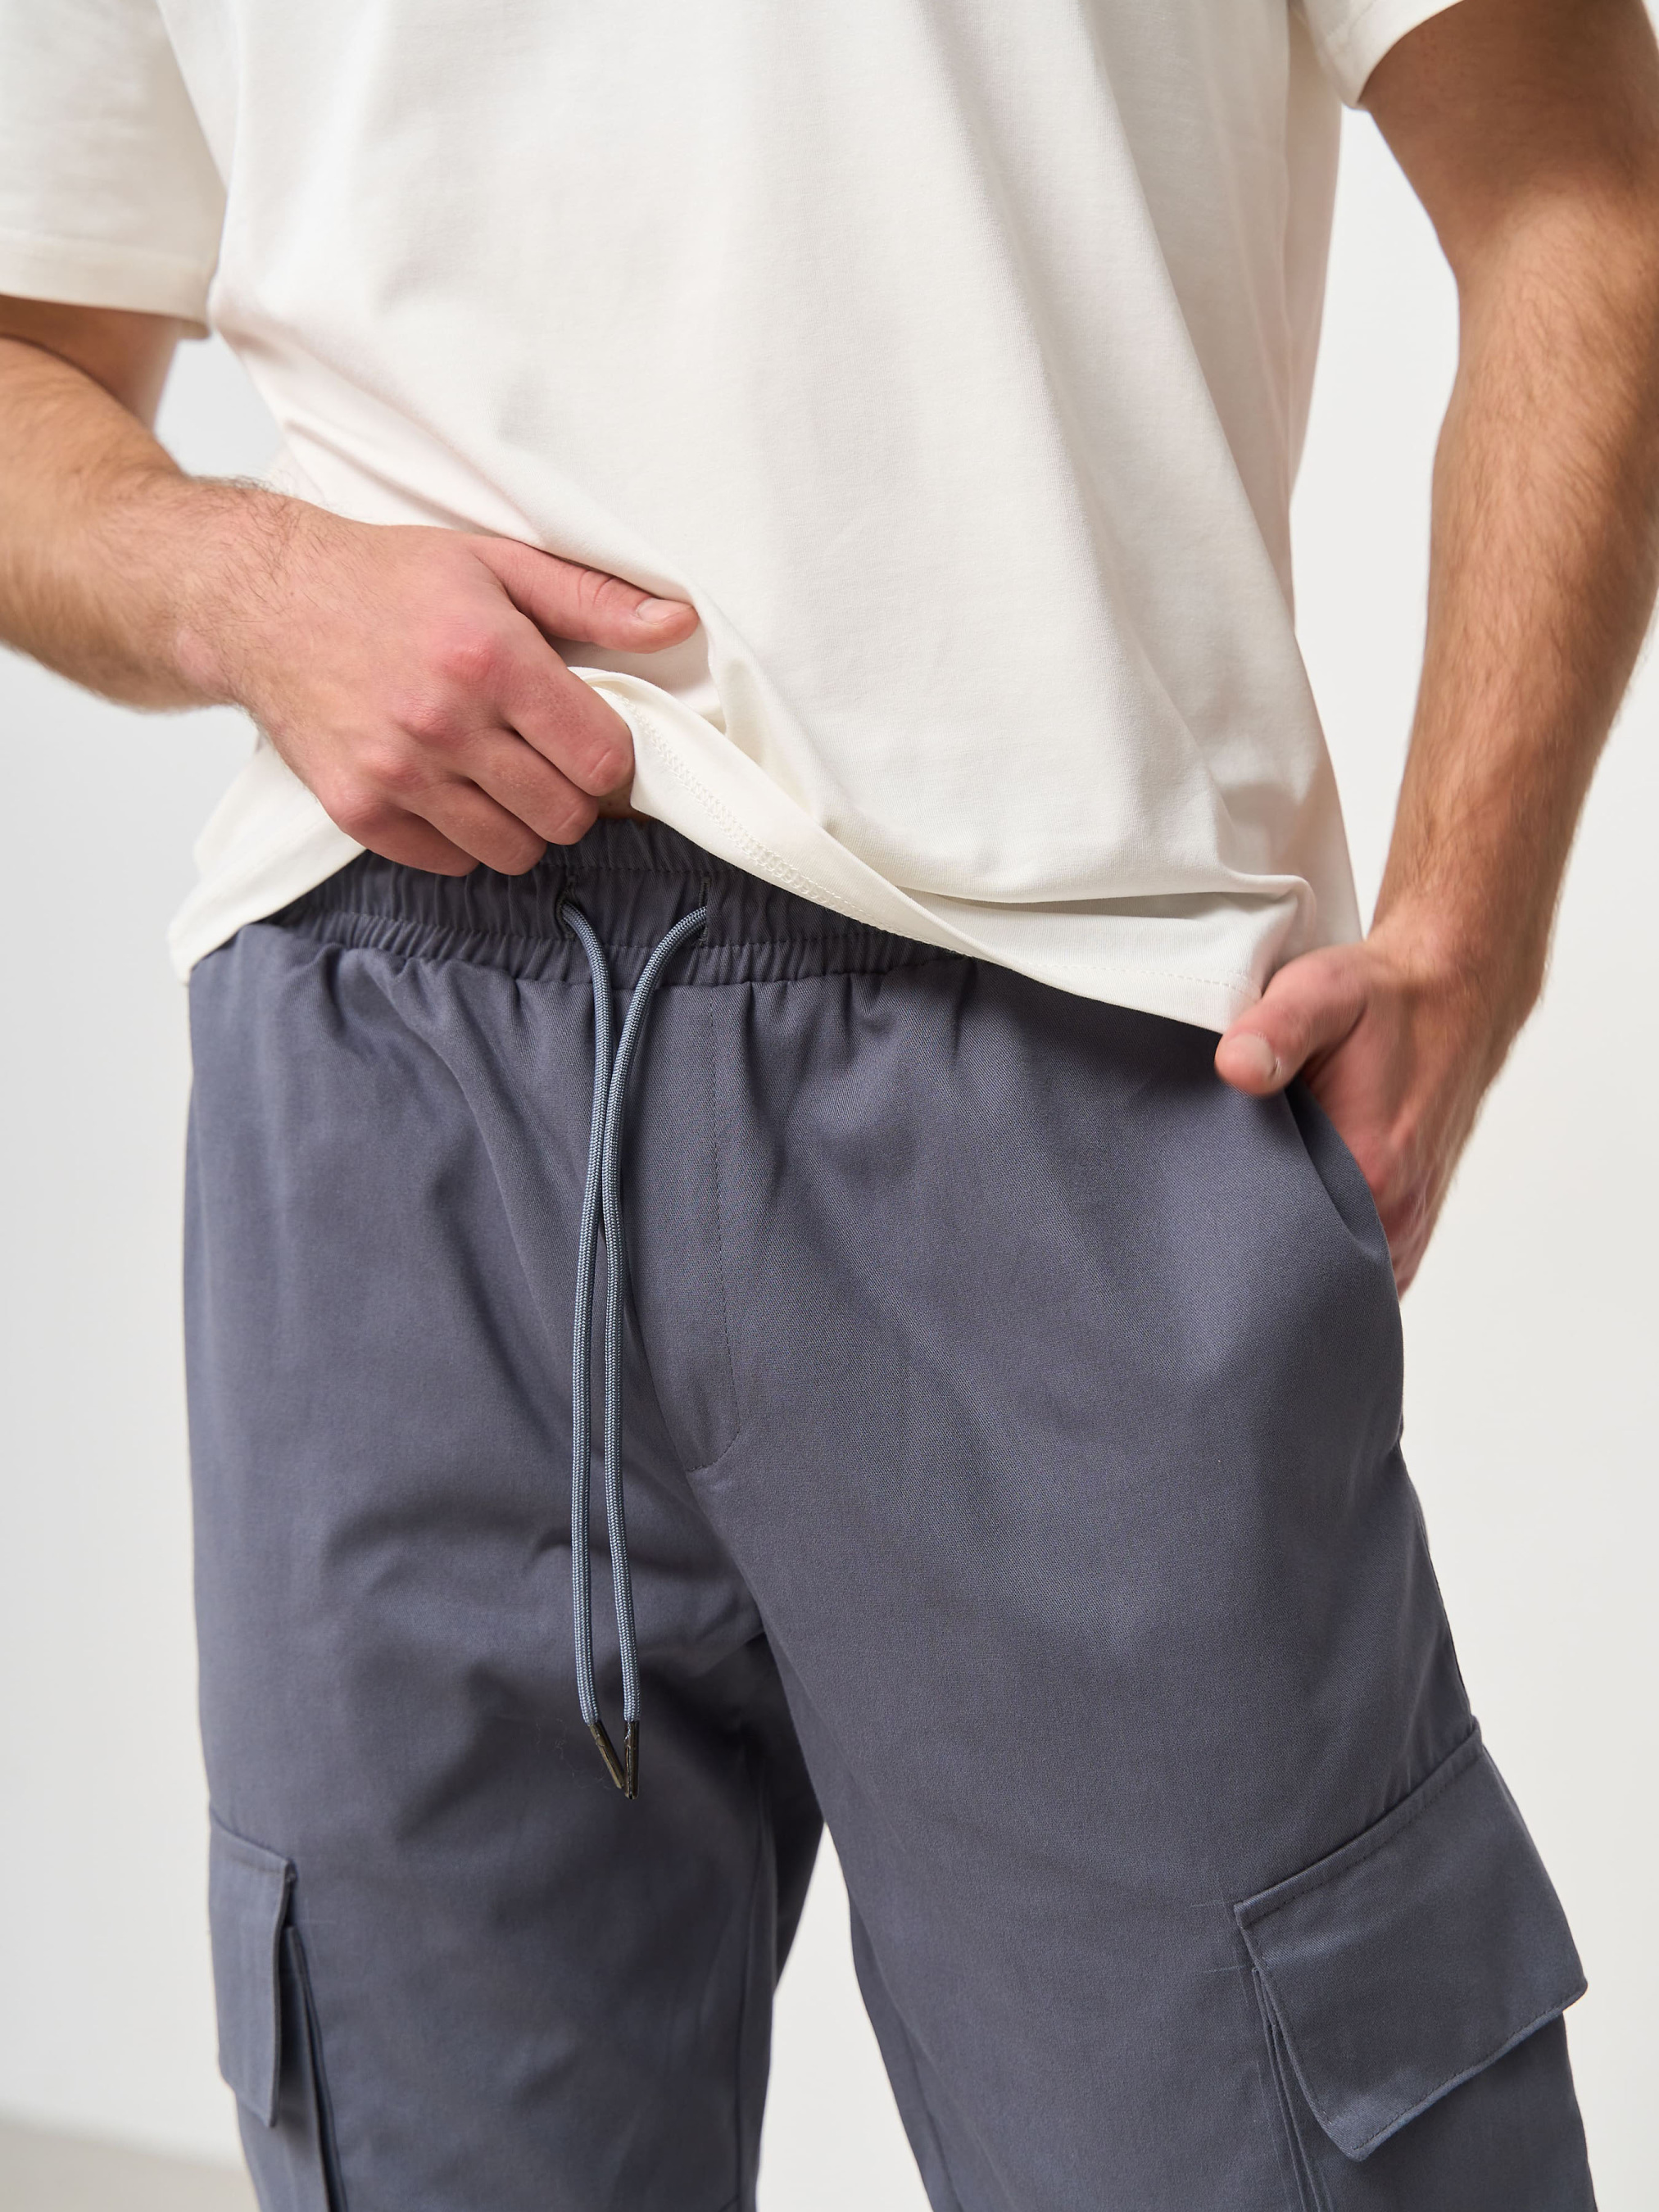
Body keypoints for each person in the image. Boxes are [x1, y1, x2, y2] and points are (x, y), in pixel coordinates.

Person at [0, 0, 1652, 2202]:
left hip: (1061, 1071)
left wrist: (1471, 931)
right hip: (392, 1084)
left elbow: (1579, 194)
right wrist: (241, 582)